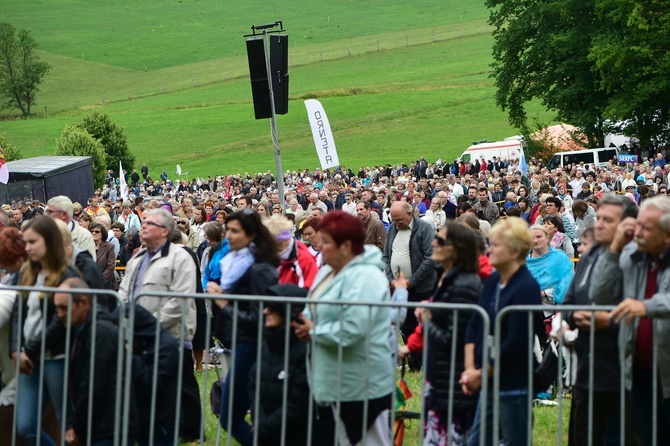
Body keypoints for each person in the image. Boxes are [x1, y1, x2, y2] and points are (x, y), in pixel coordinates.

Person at [293, 211, 394, 445]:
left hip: (361, 384)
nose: (320, 247)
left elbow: (354, 329)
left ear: (346, 245)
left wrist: (313, 331)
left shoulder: (366, 276)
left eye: (326, 242)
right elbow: (311, 309)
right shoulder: (328, 270)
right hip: (333, 381)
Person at [590, 195, 670, 445]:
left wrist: (645, 306)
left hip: (667, 370)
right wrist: (614, 249)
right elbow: (599, 294)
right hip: (639, 369)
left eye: (646, 228)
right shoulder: (634, 254)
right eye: (638, 224)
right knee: (648, 437)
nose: (638, 231)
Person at [561, 195, 639, 445]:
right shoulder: (591, 255)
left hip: (624, 371)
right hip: (588, 367)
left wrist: (609, 321)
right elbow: (571, 300)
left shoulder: (637, 260)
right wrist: (574, 316)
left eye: (609, 220)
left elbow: (645, 310)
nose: (600, 224)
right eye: (600, 218)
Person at [117, 209, 201, 443]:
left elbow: (180, 300)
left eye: (149, 223)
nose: (143, 226)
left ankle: (187, 432)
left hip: (170, 338)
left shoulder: (180, 256)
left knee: (172, 395)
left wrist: (148, 327)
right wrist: (126, 323)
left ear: (164, 231)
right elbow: (125, 293)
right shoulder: (137, 258)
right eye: (143, 222)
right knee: (142, 396)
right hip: (137, 340)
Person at [461, 217, 544, 446]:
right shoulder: (494, 279)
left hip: (512, 384)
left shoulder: (526, 287)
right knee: (478, 441)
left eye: (496, 244)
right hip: (487, 380)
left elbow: (517, 342)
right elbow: (475, 322)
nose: (490, 249)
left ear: (515, 251)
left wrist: (481, 372)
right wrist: (470, 369)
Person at [205, 209, 279, 446]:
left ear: (251, 234)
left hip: (252, 346)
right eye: (227, 230)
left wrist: (224, 302)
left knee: (229, 416)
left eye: (235, 231)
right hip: (239, 343)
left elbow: (259, 317)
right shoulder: (236, 263)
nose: (228, 236)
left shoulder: (259, 268)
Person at [10, 216, 81, 446]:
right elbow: (16, 314)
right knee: (26, 426)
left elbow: (59, 323)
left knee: (68, 426)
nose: (27, 248)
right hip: (28, 359)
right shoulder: (26, 273)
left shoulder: (67, 276)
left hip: (55, 359)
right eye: (25, 242)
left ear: (49, 241)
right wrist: (15, 350)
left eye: (32, 242)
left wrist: (27, 351)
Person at [248, 284, 334, 445]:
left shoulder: (307, 349)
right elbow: (254, 385)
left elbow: (299, 403)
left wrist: (265, 426)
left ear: (290, 311)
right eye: (265, 306)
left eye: (272, 307)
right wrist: (259, 420)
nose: (265, 311)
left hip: (299, 436)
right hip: (268, 433)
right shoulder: (267, 343)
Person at [424, 222, 482, 445]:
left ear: (456, 248)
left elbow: (454, 338)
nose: (433, 243)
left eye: (440, 241)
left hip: (453, 383)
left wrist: (427, 320)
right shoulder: (449, 278)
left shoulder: (464, 284)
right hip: (442, 377)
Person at [53, 278, 121, 446]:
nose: (59, 314)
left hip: (106, 427)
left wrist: (77, 427)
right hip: (95, 424)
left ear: (83, 303)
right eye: (57, 308)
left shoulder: (100, 333)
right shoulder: (82, 327)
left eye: (64, 308)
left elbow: (93, 386)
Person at [382, 201, 436, 369]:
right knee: (406, 325)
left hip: (422, 287)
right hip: (399, 287)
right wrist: (391, 280)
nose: (396, 223)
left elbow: (430, 258)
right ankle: (414, 361)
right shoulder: (392, 228)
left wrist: (411, 282)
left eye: (399, 220)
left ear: (409, 214)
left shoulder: (424, 228)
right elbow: (385, 257)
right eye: (393, 220)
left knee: (427, 326)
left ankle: (429, 360)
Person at [527, 224, 574, 310]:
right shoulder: (524, 260)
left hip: (553, 310)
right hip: (528, 310)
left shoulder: (560, 258)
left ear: (547, 237)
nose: (535, 240)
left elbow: (567, 284)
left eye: (539, 237)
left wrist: (545, 293)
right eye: (532, 238)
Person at [264, 215, 318, 290]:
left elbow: (306, 292)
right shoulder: (272, 254)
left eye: (275, 244)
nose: (271, 248)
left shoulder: (303, 260)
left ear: (283, 241)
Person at [46, 195, 96, 260]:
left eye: (50, 212)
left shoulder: (83, 236)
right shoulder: (44, 233)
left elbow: (89, 267)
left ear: (63, 214)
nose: (47, 215)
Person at [89, 222, 117, 290]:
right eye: (91, 231)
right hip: (89, 283)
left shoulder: (109, 246)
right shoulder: (87, 246)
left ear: (102, 234)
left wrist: (100, 281)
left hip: (104, 284)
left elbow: (110, 266)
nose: (94, 233)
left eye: (97, 231)